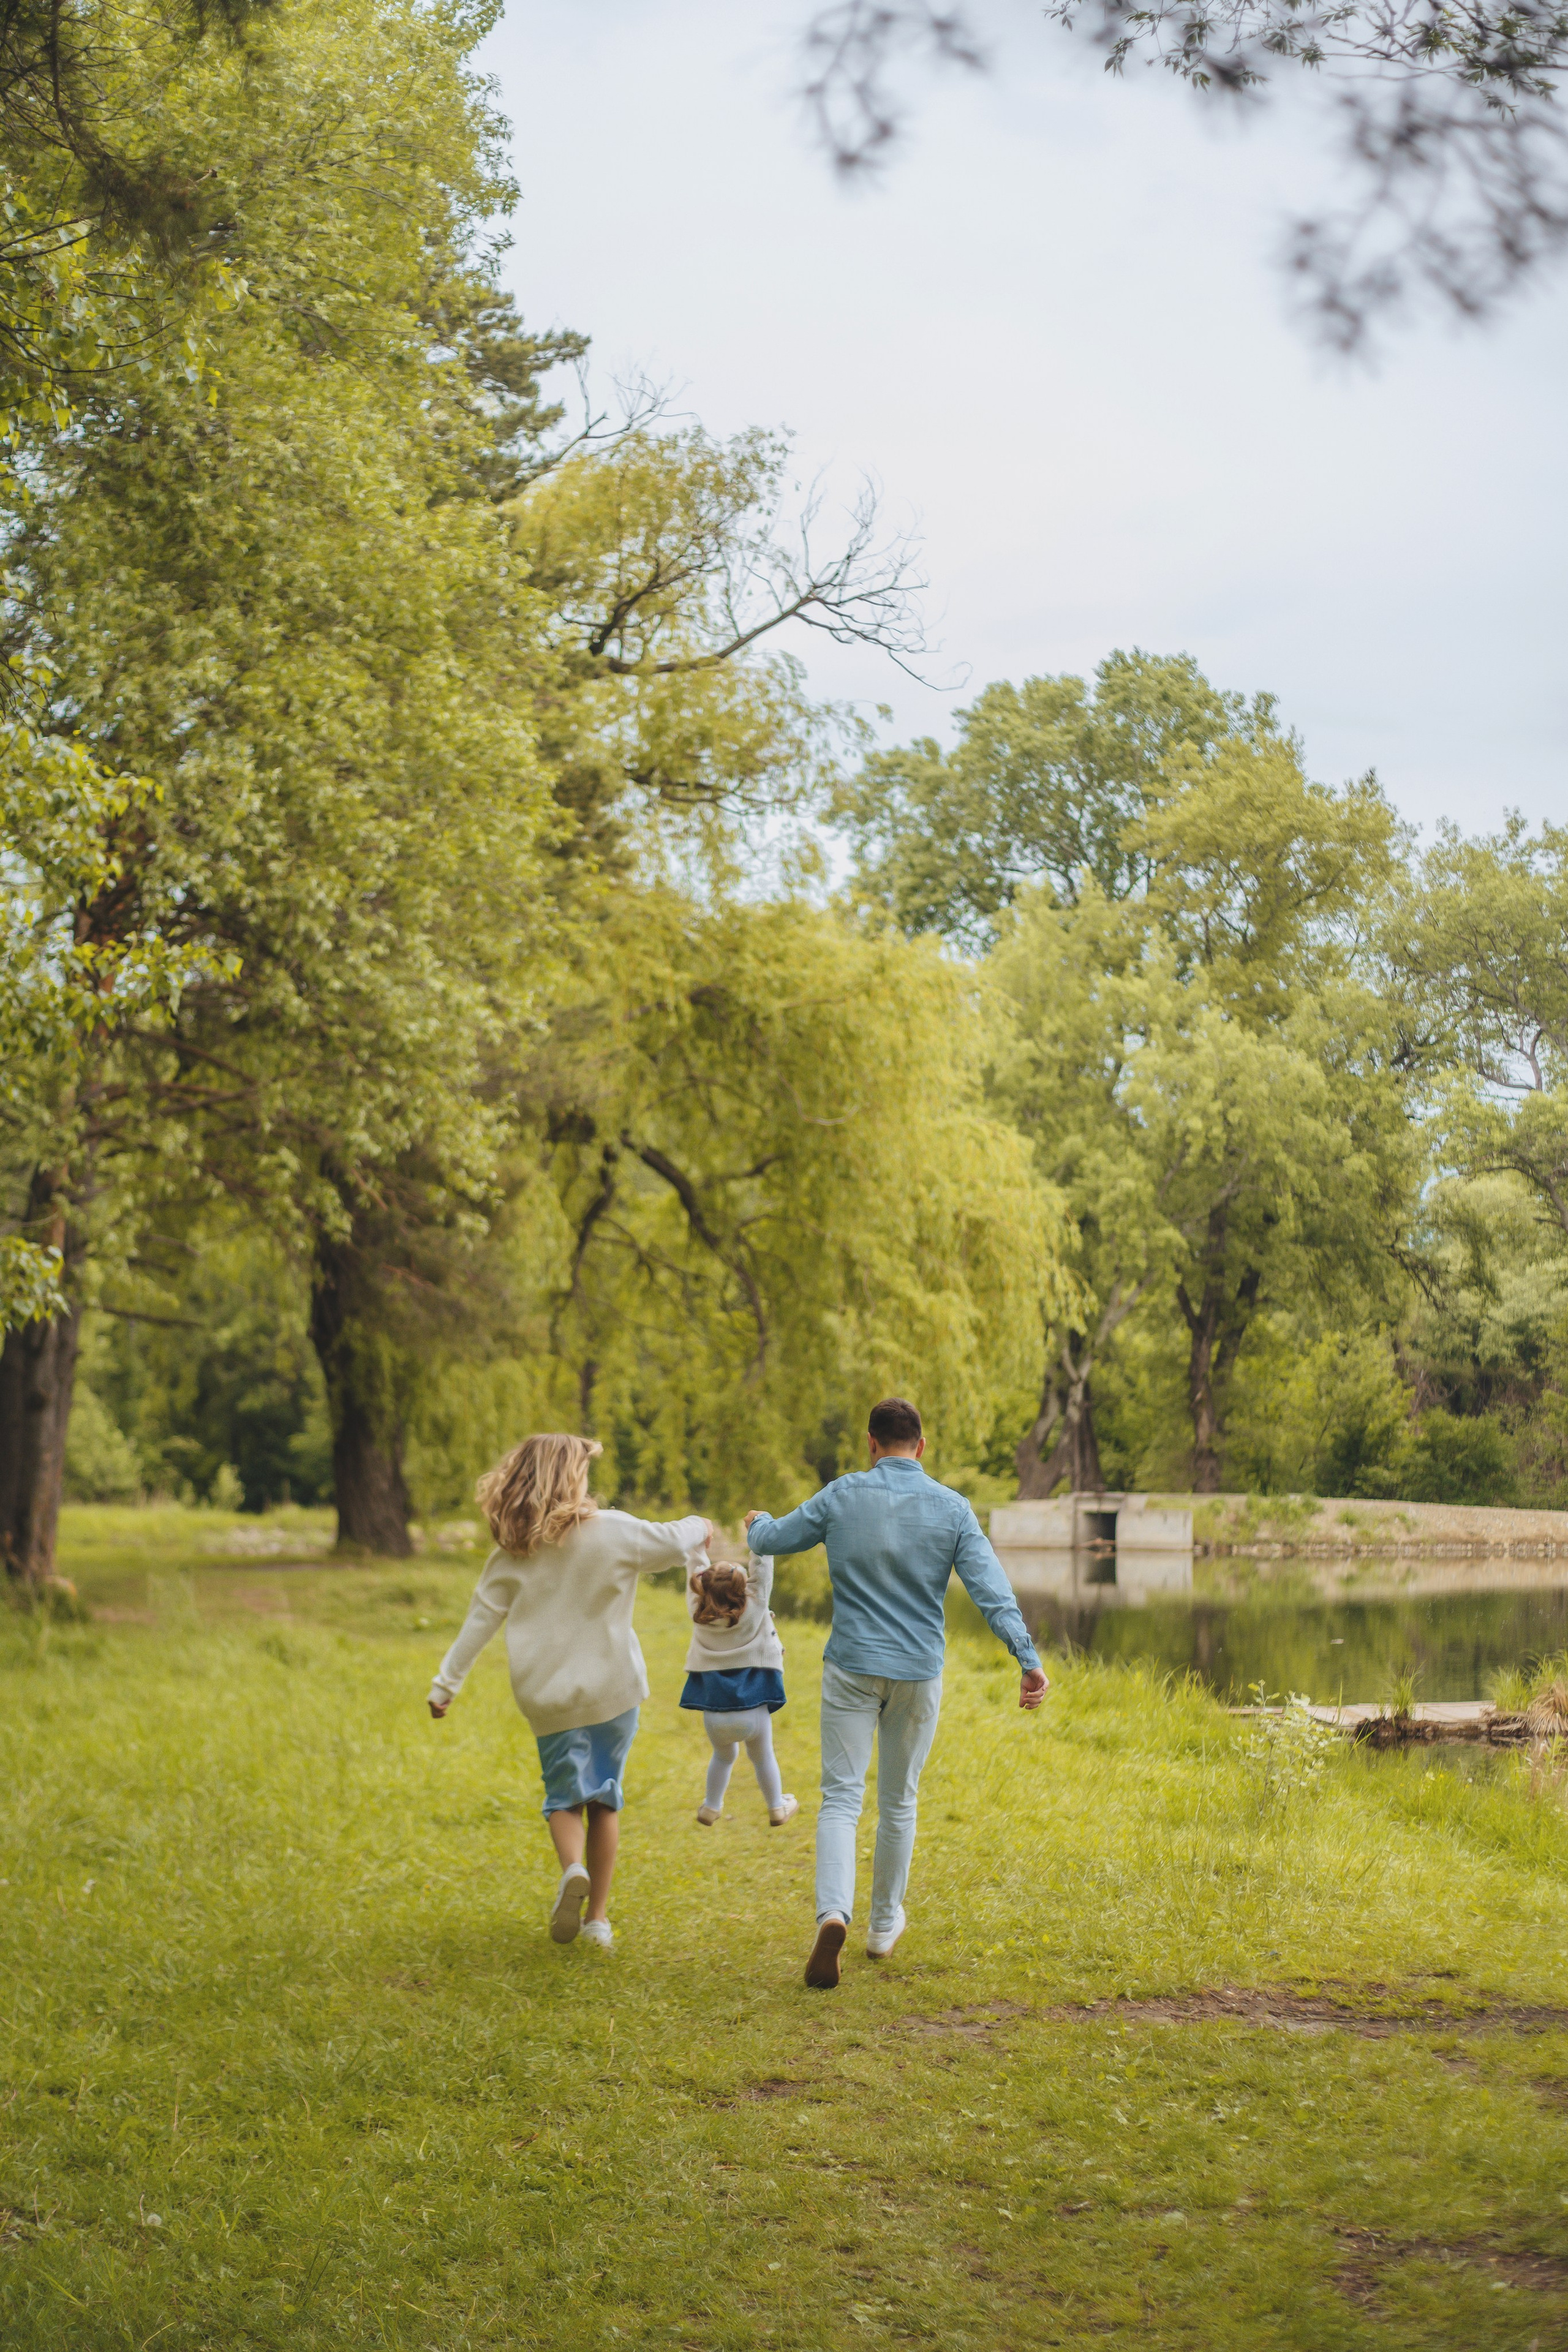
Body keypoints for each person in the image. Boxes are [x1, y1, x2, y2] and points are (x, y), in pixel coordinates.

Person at [744, 1396, 1047, 1989]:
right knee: (898, 1801)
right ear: (922, 1446)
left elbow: (774, 1540)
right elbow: (991, 1591)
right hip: (917, 1671)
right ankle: (883, 1927)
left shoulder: (841, 1495)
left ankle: (834, 1913)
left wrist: (755, 1525)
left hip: (851, 1666)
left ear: (871, 1443)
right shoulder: (953, 1509)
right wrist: (1027, 1660)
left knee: (839, 1799)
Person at [427, 1432, 711, 1951]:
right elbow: (678, 1541)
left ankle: (572, 1868)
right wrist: (703, 1527)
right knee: (606, 1800)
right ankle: (597, 1920)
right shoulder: (616, 1532)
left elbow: (479, 1623)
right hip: (614, 1691)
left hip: (548, 1698)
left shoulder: (513, 1553)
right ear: (573, 1477)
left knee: (563, 1800)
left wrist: (445, 1686)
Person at [681, 1549, 798, 1828]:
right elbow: (764, 1573)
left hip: (715, 1714)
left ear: (703, 1588)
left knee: (723, 1757)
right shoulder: (755, 1606)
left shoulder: (697, 1610)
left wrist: (699, 1546)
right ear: (743, 1589)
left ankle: (711, 1806)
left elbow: (694, 1568)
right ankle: (776, 1807)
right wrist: (758, 1537)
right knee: (763, 1756)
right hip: (753, 1710)